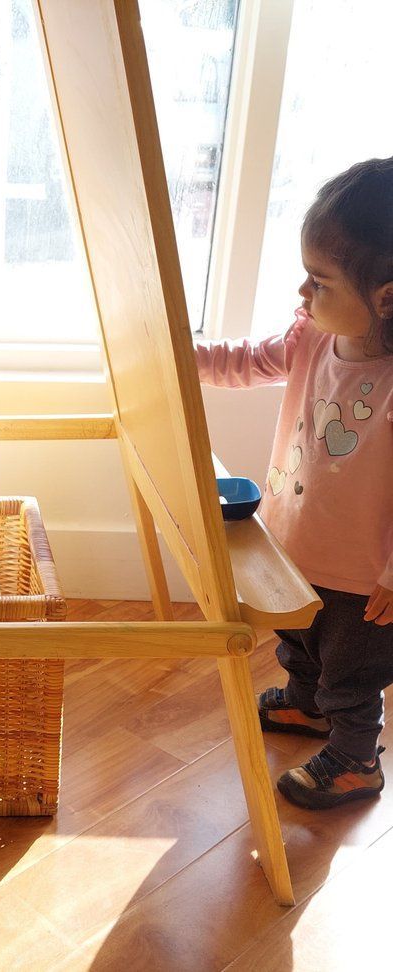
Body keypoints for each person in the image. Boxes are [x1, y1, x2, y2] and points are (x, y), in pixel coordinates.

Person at [196, 157, 393, 810]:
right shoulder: (311, 338)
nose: (301, 296)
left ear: (387, 296)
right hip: (301, 541)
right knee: (302, 640)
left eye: (318, 281)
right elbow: (247, 361)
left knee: (351, 673)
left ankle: (355, 760)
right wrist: (179, 353)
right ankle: (307, 709)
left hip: (369, 576)